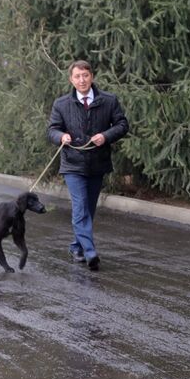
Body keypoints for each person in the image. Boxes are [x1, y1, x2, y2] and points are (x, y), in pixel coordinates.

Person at [47, 60, 130, 271]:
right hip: (72, 164)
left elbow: (122, 125)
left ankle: (76, 246)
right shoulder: (61, 104)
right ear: (71, 80)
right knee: (80, 205)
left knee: (89, 207)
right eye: (77, 76)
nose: (82, 80)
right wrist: (61, 136)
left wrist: (106, 135)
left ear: (91, 76)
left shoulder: (108, 101)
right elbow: (52, 130)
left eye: (85, 75)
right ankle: (90, 251)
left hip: (98, 163)